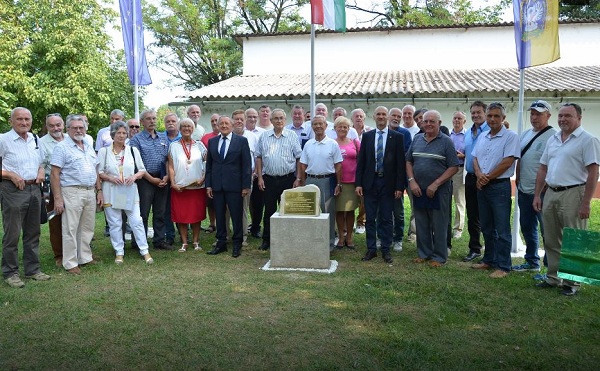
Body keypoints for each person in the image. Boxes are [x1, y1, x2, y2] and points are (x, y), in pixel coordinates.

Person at [533, 103, 600, 295]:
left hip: (574, 192)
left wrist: (586, 202)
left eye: (568, 116)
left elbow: (593, 172)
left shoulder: (588, 140)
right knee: (551, 238)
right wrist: (538, 195)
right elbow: (543, 168)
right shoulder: (553, 139)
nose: (563, 119)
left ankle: (572, 283)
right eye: (560, 116)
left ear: (579, 118)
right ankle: (553, 277)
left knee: (576, 238)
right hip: (551, 192)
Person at [0, 107, 51, 288]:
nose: (24, 123)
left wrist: (40, 170)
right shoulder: (3, 139)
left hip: (34, 190)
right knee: (12, 234)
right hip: (13, 190)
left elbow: (42, 162)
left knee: (33, 232)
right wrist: (10, 175)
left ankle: (33, 270)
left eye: (27, 119)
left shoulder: (35, 139)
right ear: (11, 121)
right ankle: (11, 273)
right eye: (20, 119)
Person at [470, 102, 520, 279]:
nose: (492, 119)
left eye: (496, 116)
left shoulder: (511, 137)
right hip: (482, 186)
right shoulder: (483, 136)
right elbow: (474, 158)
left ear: (503, 118)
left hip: (499, 186)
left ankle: (504, 265)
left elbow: (508, 162)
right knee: (487, 226)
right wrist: (478, 175)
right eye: (490, 115)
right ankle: (488, 260)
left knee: (502, 229)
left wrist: (487, 177)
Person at [51, 114, 103, 275]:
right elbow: (54, 174)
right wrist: (58, 198)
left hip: (89, 191)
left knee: (87, 227)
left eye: (81, 127)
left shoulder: (87, 145)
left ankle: (85, 257)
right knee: (70, 228)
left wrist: (99, 190)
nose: (78, 130)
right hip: (71, 191)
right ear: (68, 129)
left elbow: (95, 170)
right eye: (74, 127)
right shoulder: (61, 147)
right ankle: (70, 262)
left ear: (85, 129)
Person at [406, 110, 459, 267]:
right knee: (421, 222)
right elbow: (408, 161)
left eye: (432, 121)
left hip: (439, 190)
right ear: (421, 123)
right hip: (419, 188)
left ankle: (439, 256)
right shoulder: (417, 139)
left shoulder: (446, 141)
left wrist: (436, 183)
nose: (428, 124)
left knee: (439, 223)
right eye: (425, 121)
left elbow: (454, 166)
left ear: (439, 124)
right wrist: (412, 181)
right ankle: (424, 253)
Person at [97, 121, 153, 264]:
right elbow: (99, 172)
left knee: (136, 221)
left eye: (124, 133)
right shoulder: (104, 152)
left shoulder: (133, 150)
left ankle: (144, 251)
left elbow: (142, 170)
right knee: (115, 223)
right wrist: (111, 178)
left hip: (129, 190)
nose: (121, 136)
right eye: (118, 133)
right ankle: (119, 252)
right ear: (112, 135)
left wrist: (134, 177)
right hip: (111, 190)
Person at [355, 106, 406, 264]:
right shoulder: (368, 136)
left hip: (388, 183)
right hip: (370, 182)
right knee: (370, 217)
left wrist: (399, 186)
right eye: (379, 114)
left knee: (386, 218)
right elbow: (361, 162)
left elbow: (400, 164)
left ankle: (385, 249)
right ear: (374, 117)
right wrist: (359, 183)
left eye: (384, 114)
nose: (381, 117)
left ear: (389, 117)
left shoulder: (397, 137)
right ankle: (371, 249)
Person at [512, 100, 556, 273]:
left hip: (543, 192)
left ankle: (550, 266)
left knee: (548, 230)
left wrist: (542, 188)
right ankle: (531, 261)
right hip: (524, 189)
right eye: (532, 113)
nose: (534, 117)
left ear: (548, 115)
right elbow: (520, 157)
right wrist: (518, 178)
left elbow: (551, 164)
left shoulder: (553, 137)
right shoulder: (525, 134)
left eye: (538, 114)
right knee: (527, 227)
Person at [255, 109, 302, 250]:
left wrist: (298, 178)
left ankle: (287, 239)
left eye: (281, 118)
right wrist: (260, 178)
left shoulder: (292, 136)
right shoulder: (264, 136)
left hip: (287, 179)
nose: (279, 121)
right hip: (269, 179)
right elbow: (259, 157)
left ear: (285, 120)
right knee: (269, 210)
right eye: (276, 118)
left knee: (288, 211)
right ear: (271, 120)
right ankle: (267, 240)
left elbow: (299, 157)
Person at [205, 115, 252, 258]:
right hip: (217, 186)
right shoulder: (212, 142)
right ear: (217, 126)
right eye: (221, 124)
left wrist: (245, 186)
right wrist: (208, 185)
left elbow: (246, 166)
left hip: (235, 186)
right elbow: (210, 166)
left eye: (227, 123)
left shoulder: (241, 141)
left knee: (236, 216)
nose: (224, 126)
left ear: (232, 125)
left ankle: (237, 243)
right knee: (219, 215)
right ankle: (221, 242)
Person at [129, 109, 173, 251]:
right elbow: (136, 163)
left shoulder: (163, 137)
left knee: (160, 212)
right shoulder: (136, 139)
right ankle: (138, 242)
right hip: (144, 179)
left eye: (154, 118)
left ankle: (159, 240)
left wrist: (166, 176)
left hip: (162, 178)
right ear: (142, 122)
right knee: (143, 212)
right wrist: (151, 179)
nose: (152, 121)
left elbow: (167, 159)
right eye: (148, 118)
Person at [298, 115, 343, 251]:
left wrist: (338, 184)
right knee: (311, 211)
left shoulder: (333, 144)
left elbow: (338, 165)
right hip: (311, 180)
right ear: (312, 126)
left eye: (320, 124)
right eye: (315, 124)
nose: (318, 126)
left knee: (327, 213)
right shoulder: (308, 144)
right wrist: (303, 182)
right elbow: (302, 164)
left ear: (326, 126)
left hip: (327, 180)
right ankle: (312, 241)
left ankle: (329, 244)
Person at [168, 118, 208, 252]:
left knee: (196, 215)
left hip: (197, 187)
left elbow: (208, 163)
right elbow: (171, 166)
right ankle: (184, 242)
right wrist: (173, 183)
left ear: (193, 129)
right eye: (184, 126)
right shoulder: (173, 146)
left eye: (189, 126)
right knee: (181, 216)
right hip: (180, 188)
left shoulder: (200, 145)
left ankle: (196, 241)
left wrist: (203, 178)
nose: (186, 128)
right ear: (180, 129)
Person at [462, 100, 489, 262]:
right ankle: (474, 248)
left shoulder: (489, 131)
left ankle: (490, 249)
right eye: (473, 112)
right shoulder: (468, 132)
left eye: (479, 112)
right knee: (472, 215)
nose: (476, 115)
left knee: (486, 215)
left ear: (485, 113)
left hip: (486, 179)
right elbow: (471, 153)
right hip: (470, 177)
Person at [39, 113, 66, 267]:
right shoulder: (42, 143)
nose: (56, 128)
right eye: (52, 125)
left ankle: (78, 250)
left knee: (74, 220)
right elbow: (40, 166)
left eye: (58, 124)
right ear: (47, 127)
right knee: (56, 220)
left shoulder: (70, 138)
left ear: (63, 125)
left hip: (71, 186)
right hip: (52, 186)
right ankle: (59, 255)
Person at [388, 107, 413, 251]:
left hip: (398, 177)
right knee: (384, 210)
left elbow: (406, 156)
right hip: (383, 178)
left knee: (398, 211)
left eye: (399, 116)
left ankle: (398, 238)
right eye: (394, 115)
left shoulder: (405, 134)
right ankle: (386, 236)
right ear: (388, 117)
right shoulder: (382, 133)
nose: (396, 118)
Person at [231, 109, 258, 247]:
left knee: (243, 208)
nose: (239, 121)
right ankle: (227, 234)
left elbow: (257, 157)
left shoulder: (252, 137)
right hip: (229, 179)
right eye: (236, 119)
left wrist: (255, 174)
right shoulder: (226, 136)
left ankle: (243, 236)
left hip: (247, 178)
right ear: (232, 121)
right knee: (227, 209)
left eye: (242, 119)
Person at [333, 116, 360, 249]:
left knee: (349, 211)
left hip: (352, 182)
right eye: (340, 126)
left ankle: (349, 237)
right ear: (335, 128)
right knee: (339, 210)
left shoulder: (354, 143)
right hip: (337, 182)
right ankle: (341, 237)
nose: (343, 129)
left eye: (345, 127)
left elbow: (361, 162)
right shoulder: (331, 143)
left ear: (349, 129)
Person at [351, 108, 372, 235]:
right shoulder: (348, 131)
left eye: (360, 116)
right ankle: (350, 221)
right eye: (356, 116)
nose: (358, 118)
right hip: (350, 169)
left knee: (363, 198)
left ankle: (361, 222)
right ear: (352, 119)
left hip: (365, 169)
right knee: (349, 197)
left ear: (364, 118)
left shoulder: (370, 131)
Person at [401, 104, 420, 242]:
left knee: (414, 202)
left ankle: (413, 232)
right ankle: (397, 229)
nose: (407, 116)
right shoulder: (398, 130)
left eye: (410, 113)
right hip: (398, 172)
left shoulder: (418, 130)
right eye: (405, 113)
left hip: (413, 171)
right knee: (396, 202)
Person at [246, 108, 266, 238]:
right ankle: (244, 226)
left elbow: (262, 155)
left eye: (254, 116)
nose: (253, 119)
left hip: (259, 174)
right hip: (244, 175)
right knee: (246, 203)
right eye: (250, 117)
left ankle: (256, 227)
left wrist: (257, 173)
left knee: (258, 202)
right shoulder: (242, 133)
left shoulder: (263, 133)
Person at [201, 113, 221, 233]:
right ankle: (212, 223)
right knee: (210, 201)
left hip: (221, 173)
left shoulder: (227, 135)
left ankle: (221, 223)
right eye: (212, 120)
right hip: (209, 172)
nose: (214, 123)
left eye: (216, 120)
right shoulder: (206, 137)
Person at [163, 113, 181, 246]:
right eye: (168, 121)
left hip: (180, 178)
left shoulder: (184, 137)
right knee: (166, 208)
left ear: (177, 123)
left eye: (173, 121)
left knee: (180, 206)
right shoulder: (159, 137)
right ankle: (169, 235)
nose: (171, 123)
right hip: (164, 178)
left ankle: (183, 233)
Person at [450, 111, 468, 239]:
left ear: (464, 121)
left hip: (460, 169)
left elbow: (472, 154)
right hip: (447, 170)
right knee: (445, 200)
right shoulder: (447, 135)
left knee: (459, 200)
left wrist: (463, 156)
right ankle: (445, 225)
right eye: (455, 118)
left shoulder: (468, 136)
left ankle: (458, 229)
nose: (457, 120)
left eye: (459, 118)